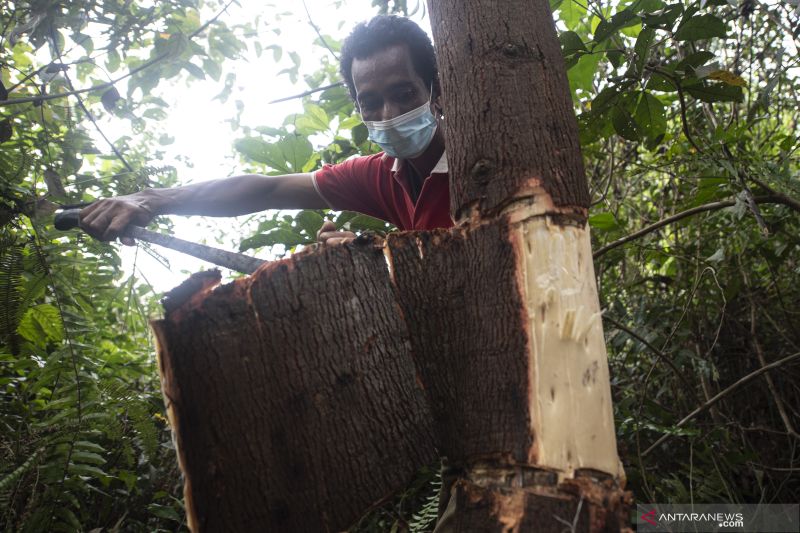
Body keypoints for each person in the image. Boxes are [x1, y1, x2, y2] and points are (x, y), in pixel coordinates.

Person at [79, 15, 452, 246]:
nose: (389, 113)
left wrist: (384, 257)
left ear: (436, 93)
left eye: (403, 94)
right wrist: (149, 199)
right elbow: (265, 189)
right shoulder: (381, 175)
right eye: (370, 102)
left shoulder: (484, 159)